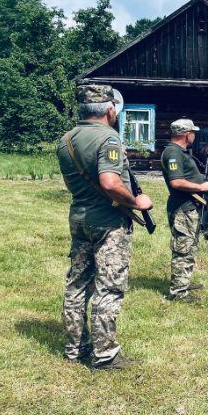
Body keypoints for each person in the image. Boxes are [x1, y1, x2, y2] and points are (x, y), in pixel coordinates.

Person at [56, 84, 153, 370]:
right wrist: (136, 202)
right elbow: (110, 182)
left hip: (79, 218)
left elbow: (71, 184)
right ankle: (105, 354)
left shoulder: (66, 140)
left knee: (77, 284)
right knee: (109, 287)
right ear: (110, 110)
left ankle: (75, 348)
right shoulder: (108, 138)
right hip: (108, 223)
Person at [160, 119, 208, 303]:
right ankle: (178, 292)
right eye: (193, 133)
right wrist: (201, 187)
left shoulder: (179, 152)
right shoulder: (173, 152)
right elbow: (176, 182)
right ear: (186, 134)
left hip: (190, 206)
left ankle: (184, 281)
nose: (194, 136)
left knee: (189, 246)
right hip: (182, 208)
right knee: (183, 248)